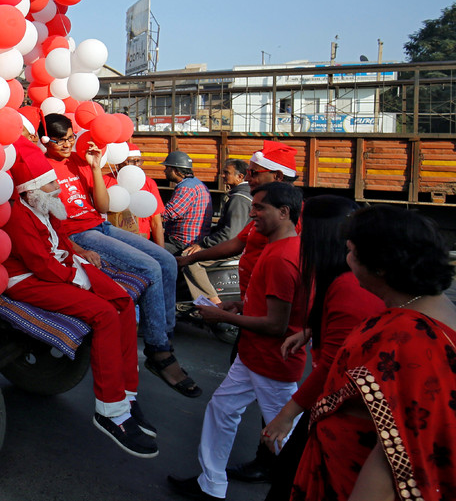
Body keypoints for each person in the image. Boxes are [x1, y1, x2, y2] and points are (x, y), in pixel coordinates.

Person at [4, 137, 158, 458]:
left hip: (58, 267)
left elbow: (60, 244)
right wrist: (78, 277)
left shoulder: (46, 206)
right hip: (29, 280)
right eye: (50, 185)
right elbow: (38, 264)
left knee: (124, 303)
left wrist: (82, 260)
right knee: (103, 314)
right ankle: (109, 410)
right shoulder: (19, 214)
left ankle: (128, 396)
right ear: (31, 191)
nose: (57, 189)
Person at [289, 206, 456, 501]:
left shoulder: (408, 337)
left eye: (351, 252)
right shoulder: (424, 309)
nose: (347, 259)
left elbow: (398, 446)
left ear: (380, 267)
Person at [41, 114, 200, 398]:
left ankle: (165, 338)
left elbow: (101, 205)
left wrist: (95, 168)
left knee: (166, 261)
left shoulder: (79, 162)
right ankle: (158, 351)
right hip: (78, 234)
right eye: (59, 139)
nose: (66, 144)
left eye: (69, 138)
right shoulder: (41, 168)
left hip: (99, 225)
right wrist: (76, 249)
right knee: (150, 268)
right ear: (45, 137)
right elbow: (44, 219)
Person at [168, 182, 308, 501]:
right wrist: (240, 306)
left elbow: (277, 325)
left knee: (288, 438)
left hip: (272, 362)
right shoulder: (278, 246)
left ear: (284, 213)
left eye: (260, 208)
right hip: (253, 356)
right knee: (222, 410)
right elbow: (273, 305)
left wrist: (224, 317)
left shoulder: (281, 257)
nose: (252, 213)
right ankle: (211, 485)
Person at [259, 196, 384, 501]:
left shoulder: (347, 284)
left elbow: (333, 363)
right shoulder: (343, 277)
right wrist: (312, 330)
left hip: (341, 410)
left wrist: (286, 415)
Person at [181, 159, 252, 304]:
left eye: (227, 173)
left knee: (189, 259)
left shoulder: (239, 198)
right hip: (237, 244)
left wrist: (203, 245)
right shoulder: (243, 194)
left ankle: (212, 302)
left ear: (240, 177)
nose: (223, 175)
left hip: (235, 248)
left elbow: (230, 233)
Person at [160, 150, 212, 255]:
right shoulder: (197, 183)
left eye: (167, 168)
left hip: (181, 243)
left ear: (176, 171)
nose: (165, 171)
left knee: (146, 250)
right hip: (192, 240)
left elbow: (169, 213)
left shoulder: (185, 187)